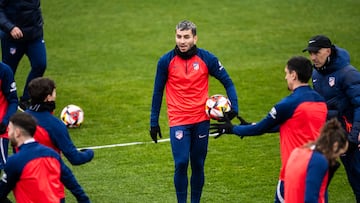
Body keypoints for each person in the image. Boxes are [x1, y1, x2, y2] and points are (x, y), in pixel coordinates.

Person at [210, 56, 328, 203]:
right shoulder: (320, 102)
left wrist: (232, 129)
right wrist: (249, 125)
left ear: (294, 75)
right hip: (318, 168)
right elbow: (286, 126)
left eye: (286, 73)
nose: (285, 77)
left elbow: (261, 128)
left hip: (294, 171)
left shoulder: (288, 104)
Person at [149, 20, 239, 203]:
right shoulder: (165, 61)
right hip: (178, 120)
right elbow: (157, 92)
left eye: (186, 37)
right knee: (181, 162)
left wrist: (234, 109)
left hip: (201, 120)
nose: (182, 41)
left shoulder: (207, 59)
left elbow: (228, 82)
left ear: (195, 38)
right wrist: (153, 121)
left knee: (198, 164)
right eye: (179, 36)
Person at [302, 35, 360, 202]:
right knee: (319, 179)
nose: (313, 57)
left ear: (328, 51)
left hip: (350, 136)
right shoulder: (316, 74)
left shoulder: (348, 74)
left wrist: (355, 136)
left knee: (357, 177)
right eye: (311, 53)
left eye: (316, 53)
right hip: (330, 136)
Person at [0, 112, 90, 202]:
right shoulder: (52, 154)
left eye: (10, 129)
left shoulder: (15, 162)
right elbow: (72, 183)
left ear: (17, 133)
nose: (8, 132)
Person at [26, 77, 94, 165]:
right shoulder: (55, 125)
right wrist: (89, 153)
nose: (55, 95)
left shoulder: (18, 120)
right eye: (54, 92)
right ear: (48, 97)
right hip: (47, 174)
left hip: (22, 174)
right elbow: (76, 159)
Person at [285, 118, 348, 203]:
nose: (337, 157)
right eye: (340, 153)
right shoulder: (318, 161)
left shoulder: (297, 151)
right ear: (335, 146)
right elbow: (310, 198)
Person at [0, 0, 47, 111]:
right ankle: (4, 100)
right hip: (12, 39)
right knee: (8, 71)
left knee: (40, 64)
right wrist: (10, 27)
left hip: (34, 35)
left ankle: (27, 99)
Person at [0, 62, 18, 172]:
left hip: (0, 129)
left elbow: (13, 101)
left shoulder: (4, 71)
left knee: (5, 169)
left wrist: (5, 121)